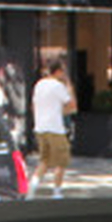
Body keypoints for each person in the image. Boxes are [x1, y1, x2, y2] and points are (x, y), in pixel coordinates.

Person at [30, 56, 74, 197]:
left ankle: (32, 187)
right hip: (55, 128)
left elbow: (33, 106)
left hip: (40, 128)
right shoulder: (58, 86)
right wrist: (69, 86)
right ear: (59, 71)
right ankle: (57, 192)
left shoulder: (39, 85)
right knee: (61, 161)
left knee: (44, 160)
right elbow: (72, 106)